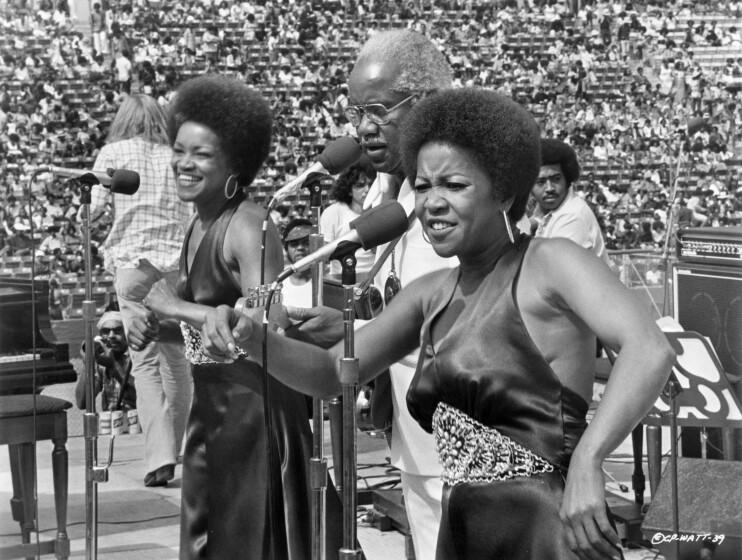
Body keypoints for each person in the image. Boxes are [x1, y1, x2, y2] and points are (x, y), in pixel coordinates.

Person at [201, 88, 675, 560]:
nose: (433, 202)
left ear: (504, 190)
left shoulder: (551, 261)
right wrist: (252, 338)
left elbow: (649, 349)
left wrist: (591, 461)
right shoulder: (430, 293)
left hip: (548, 531)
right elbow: (331, 373)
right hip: (463, 527)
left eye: (455, 185)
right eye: (424, 187)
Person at [127, 75, 341, 559]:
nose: (184, 163)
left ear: (235, 164)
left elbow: (266, 328)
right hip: (212, 415)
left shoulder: (250, 224)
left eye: (201, 155)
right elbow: (216, 334)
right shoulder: (199, 222)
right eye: (179, 150)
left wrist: (175, 306)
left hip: (256, 417)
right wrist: (163, 328)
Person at [290, 30, 458, 560]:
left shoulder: (453, 193)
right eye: (355, 111)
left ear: (427, 104)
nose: (362, 128)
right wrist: (341, 321)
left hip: (458, 441)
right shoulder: (397, 188)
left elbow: (453, 328)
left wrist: (360, 336)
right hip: (414, 436)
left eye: (379, 110)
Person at [89, 93, 192, 488]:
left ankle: (160, 454)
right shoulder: (175, 156)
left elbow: (95, 209)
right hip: (173, 267)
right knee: (177, 361)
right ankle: (177, 447)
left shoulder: (114, 152)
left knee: (145, 364)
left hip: (132, 265)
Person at [530, 138, 612, 266]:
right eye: (541, 182)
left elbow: (551, 276)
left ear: (567, 179)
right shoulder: (549, 212)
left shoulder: (572, 217)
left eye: (556, 179)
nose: (549, 188)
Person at [319, 162, 376, 276]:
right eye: (360, 185)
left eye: (370, 185)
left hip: (373, 275)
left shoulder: (379, 209)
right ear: (349, 189)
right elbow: (325, 253)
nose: (367, 189)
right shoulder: (333, 212)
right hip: (341, 276)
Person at [75, 310, 136, 412]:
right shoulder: (102, 363)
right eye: (106, 331)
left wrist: (114, 366)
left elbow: (147, 397)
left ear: (127, 333)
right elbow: (82, 402)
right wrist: (88, 364)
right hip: (112, 425)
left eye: (117, 331)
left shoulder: (137, 358)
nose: (111, 336)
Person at [281, 218, 313, 308]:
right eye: (294, 244)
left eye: (306, 243)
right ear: (286, 248)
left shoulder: (325, 282)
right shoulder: (278, 280)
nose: (300, 248)